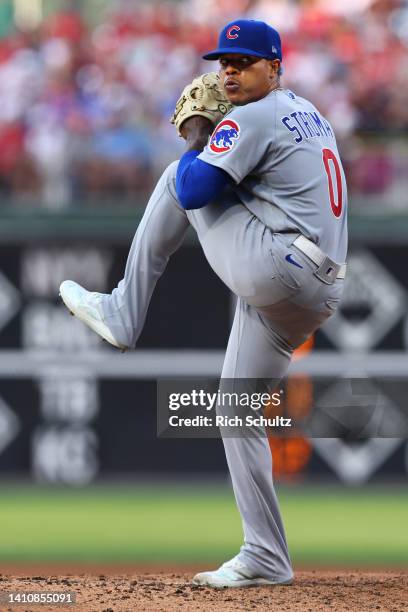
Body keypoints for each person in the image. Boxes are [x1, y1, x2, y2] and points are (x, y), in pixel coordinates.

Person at [60, 19, 347, 588]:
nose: (230, 72)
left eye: (243, 62)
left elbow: (193, 192)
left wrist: (198, 135)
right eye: (224, 63)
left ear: (275, 66)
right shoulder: (307, 113)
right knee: (233, 410)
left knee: (174, 178)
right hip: (313, 288)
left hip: (280, 267)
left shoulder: (256, 115)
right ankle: (266, 555)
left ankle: (122, 310)